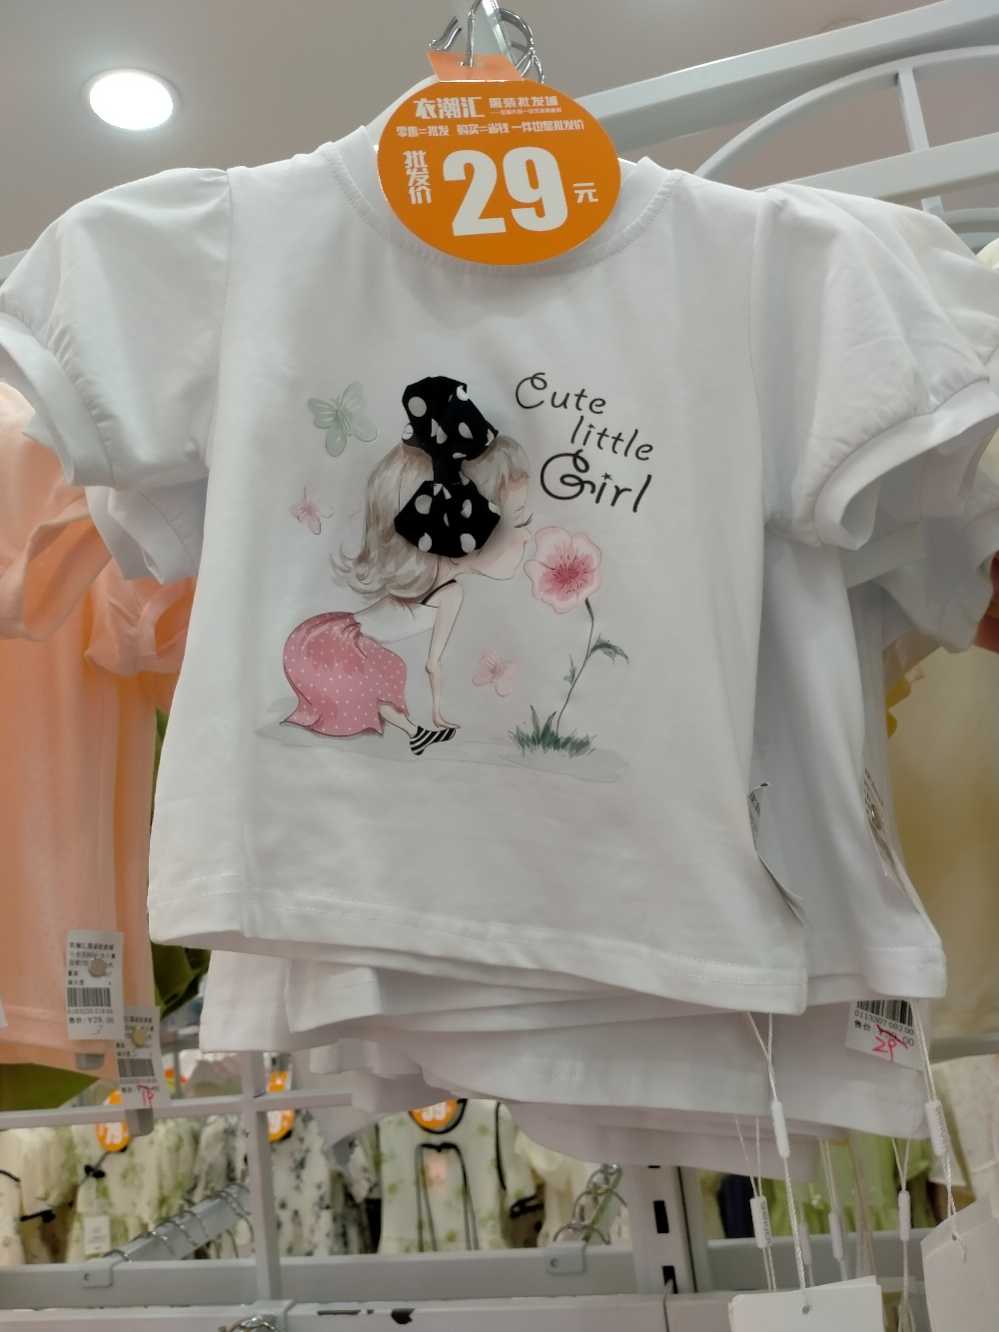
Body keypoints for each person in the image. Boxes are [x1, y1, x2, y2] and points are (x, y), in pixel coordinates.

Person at [283, 377, 532, 757]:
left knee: (383, 675)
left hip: (327, 637)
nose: (528, 537)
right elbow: (433, 664)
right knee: (386, 673)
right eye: (520, 520)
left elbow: (431, 663)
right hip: (330, 644)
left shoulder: (442, 589)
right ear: (458, 530)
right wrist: (438, 709)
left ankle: (415, 731)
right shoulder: (449, 594)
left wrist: (437, 711)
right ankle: (416, 731)